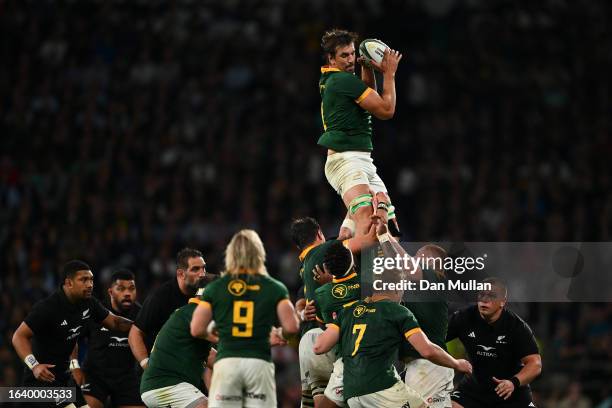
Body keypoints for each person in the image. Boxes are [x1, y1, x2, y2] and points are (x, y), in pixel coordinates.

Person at [313, 267, 472, 408]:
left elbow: (319, 347)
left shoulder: (348, 311)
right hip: (382, 387)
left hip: (352, 394)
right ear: (398, 287)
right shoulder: (397, 311)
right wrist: (457, 363)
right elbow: (427, 350)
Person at [190, 229, 299, 407]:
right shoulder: (274, 287)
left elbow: (196, 328)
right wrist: (279, 334)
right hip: (258, 362)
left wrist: (221, 336)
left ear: (230, 254)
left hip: (227, 362)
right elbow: (292, 327)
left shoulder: (215, 288)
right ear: (259, 253)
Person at [11, 260, 133, 408]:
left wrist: (141, 326)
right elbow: (19, 336)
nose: (90, 284)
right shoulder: (48, 308)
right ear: (68, 283)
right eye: (83, 280)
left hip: (65, 380)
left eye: (91, 280)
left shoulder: (89, 303)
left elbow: (115, 322)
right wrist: (34, 366)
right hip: (41, 384)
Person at [318, 28, 402, 238]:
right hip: (345, 160)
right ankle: (344, 263)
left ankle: (343, 244)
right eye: (344, 55)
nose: (350, 60)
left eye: (353, 54)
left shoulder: (336, 79)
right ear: (331, 58)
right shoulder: (342, 81)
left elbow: (366, 94)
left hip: (362, 161)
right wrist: (389, 74)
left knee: (391, 227)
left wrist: (367, 68)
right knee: (368, 223)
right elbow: (386, 110)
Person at [289, 217, 376, 408]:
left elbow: (300, 298)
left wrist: (301, 313)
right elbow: (369, 240)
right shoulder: (327, 251)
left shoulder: (305, 264)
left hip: (307, 342)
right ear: (319, 232)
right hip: (326, 338)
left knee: (312, 402)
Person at [447, 278, 542, 408]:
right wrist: (453, 362)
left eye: (491, 295)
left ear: (503, 302)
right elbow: (435, 339)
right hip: (473, 390)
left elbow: (535, 364)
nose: (484, 300)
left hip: (510, 393)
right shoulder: (464, 317)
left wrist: (513, 382)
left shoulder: (516, 326)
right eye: (481, 294)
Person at [71, 269, 144, 408]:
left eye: (131, 288)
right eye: (121, 289)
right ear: (111, 292)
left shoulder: (142, 315)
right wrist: (74, 367)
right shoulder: (95, 312)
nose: (127, 293)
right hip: (95, 376)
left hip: (127, 378)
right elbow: (71, 338)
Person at [129, 248, 207, 370]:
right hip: (160, 370)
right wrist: (147, 365)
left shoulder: (202, 292)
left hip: (185, 367)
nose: (202, 274)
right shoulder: (161, 297)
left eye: (203, 268)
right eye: (195, 269)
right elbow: (135, 334)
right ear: (181, 274)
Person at [140, 284, 214, 408]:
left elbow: (211, 356)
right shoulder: (196, 313)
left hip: (161, 385)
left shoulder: (187, 312)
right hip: (166, 384)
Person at [312, 240, 362, 408]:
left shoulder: (321, 294)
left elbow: (323, 327)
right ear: (351, 260)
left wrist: (329, 286)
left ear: (328, 268)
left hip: (345, 361)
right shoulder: (368, 283)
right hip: (374, 355)